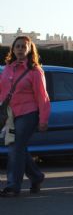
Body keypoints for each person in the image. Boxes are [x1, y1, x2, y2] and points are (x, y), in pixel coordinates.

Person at [0, 36, 50, 197]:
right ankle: (37, 176)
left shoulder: (35, 71)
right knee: (19, 148)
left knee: (14, 146)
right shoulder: (8, 68)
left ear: (29, 50)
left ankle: (13, 185)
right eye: (18, 46)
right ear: (13, 50)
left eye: (24, 46)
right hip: (11, 115)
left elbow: (43, 97)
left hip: (28, 113)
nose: (20, 49)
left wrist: (43, 120)